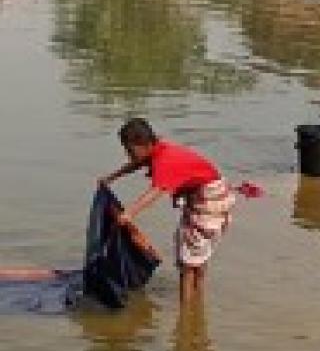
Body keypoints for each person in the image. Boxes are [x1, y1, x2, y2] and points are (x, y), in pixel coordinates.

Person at [98, 119, 235, 306]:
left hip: (208, 202)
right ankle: (197, 305)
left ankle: (186, 315)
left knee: (188, 263)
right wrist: (112, 177)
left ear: (145, 144)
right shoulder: (158, 149)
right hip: (216, 195)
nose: (128, 154)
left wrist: (129, 213)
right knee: (197, 256)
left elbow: (156, 191)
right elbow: (137, 163)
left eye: (130, 150)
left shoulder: (165, 161)